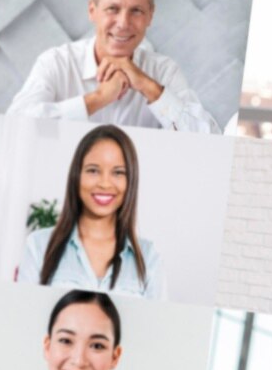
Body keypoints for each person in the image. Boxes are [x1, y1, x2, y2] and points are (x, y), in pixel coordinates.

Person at [4, 0, 218, 132]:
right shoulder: (57, 63)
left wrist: (148, 86)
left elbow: (209, 140)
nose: (124, 23)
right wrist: (97, 99)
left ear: (150, 16)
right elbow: (14, 128)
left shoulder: (163, 71)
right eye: (112, 9)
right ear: (92, 10)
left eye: (136, 10)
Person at [13, 125, 166, 298]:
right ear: (76, 175)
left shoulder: (148, 257)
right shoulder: (38, 246)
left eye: (118, 172)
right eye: (93, 170)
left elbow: (158, 324)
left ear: (131, 180)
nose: (104, 183)